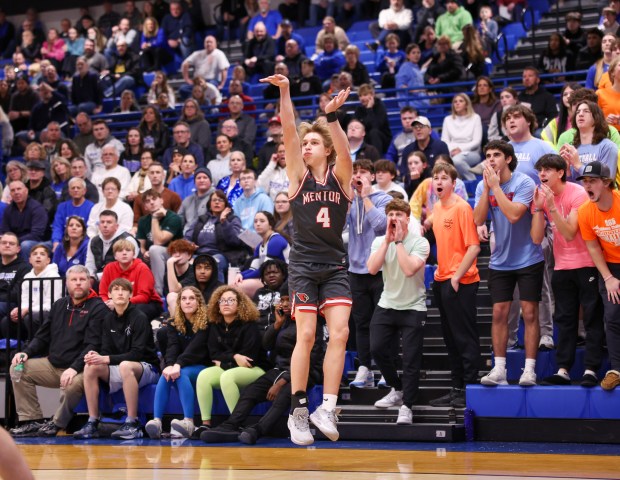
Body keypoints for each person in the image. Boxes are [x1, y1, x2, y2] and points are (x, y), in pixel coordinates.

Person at [259, 73, 353, 445]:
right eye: (306, 142)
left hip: (334, 266)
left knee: (341, 332)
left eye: (314, 142)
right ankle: (299, 411)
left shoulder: (341, 177)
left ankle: (327, 407)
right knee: (308, 334)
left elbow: (345, 151)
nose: (307, 146)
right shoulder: (297, 177)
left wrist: (331, 119)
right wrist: (284, 91)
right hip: (302, 266)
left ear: (326, 149)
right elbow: (287, 131)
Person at [201, 293, 325, 445]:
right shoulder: (283, 322)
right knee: (250, 392)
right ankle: (231, 426)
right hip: (279, 370)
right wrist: (276, 325)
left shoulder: (311, 323)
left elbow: (312, 360)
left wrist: (281, 383)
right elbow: (266, 345)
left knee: (283, 395)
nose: (285, 304)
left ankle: (258, 430)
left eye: (289, 300)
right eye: (283, 300)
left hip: (306, 373)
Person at [474, 141, 544, 387]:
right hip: (500, 260)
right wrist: (486, 190)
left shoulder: (524, 182)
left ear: (509, 160)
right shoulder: (485, 185)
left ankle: (530, 370)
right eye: (488, 155)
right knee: (499, 313)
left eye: (496, 155)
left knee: (530, 312)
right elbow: (478, 218)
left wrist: (496, 187)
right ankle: (499, 368)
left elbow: (514, 215)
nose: (491, 159)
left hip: (528, 257)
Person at [531, 154, 604, 387]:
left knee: (592, 318)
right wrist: (537, 210)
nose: (541, 174)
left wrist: (551, 208)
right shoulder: (540, 195)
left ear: (560, 172)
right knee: (564, 319)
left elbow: (570, 232)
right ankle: (563, 370)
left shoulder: (578, 193)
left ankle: (591, 370)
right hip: (561, 266)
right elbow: (536, 238)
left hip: (587, 264)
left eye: (547, 170)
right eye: (540, 170)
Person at [8, 265, 107, 438]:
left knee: (71, 386)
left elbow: (93, 345)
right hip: (54, 365)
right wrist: (26, 353)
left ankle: (56, 424)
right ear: (66, 283)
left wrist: (74, 368)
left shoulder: (98, 308)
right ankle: (31, 421)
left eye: (82, 280)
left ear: (89, 282)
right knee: (18, 368)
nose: (78, 283)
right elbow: (42, 336)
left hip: (83, 368)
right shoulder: (59, 304)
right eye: (73, 280)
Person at [73, 278, 160, 440]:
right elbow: (106, 350)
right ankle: (92, 421)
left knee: (126, 365)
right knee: (90, 366)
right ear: (109, 294)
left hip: (146, 368)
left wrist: (105, 358)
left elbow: (137, 354)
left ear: (130, 294)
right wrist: (95, 357)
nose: (120, 293)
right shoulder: (107, 319)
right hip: (121, 366)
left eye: (124, 290)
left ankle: (132, 422)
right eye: (116, 289)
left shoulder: (139, 317)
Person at [367, 198, 429, 424]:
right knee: (377, 349)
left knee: (411, 359)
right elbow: (372, 269)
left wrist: (399, 242)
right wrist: (387, 241)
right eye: (390, 215)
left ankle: (407, 406)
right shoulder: (378, 242)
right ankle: (397, 388)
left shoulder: (420, 243)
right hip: (387, 303)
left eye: (398, 215)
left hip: (414, 306)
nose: (394, 218)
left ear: (407, 218)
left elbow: (409, 269)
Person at [428, 163, 480, 407]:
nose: (439, 181)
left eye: (444, 178)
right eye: (435, 178)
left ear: (453, 183)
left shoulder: (462, 208)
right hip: (441, 279)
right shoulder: (437, 207)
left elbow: (474, 246)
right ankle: (456, 388)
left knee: (464, 337)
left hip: (462, 280)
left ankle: (470, 388)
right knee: (450, 338)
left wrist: (457, 277)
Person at [193, 286, 265, 437]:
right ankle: (205, 424)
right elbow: (214, 353)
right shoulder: (215, 326)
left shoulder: (249, 325)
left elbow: (248, 359)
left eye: (231, 300)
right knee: (203, 375)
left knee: (227, 376)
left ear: (239, 304)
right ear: (217, 306)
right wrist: (233, 358)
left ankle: (236, 423)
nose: (226, 303)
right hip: (231, 366)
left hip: (256, 369)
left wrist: (224, 362)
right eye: (222, 300)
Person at [346, 160, 391, 388]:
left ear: (372, 176)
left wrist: (364, 197)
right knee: (361, 323)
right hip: (355, 271)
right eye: (355, 172)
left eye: (363, 172)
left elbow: (382, 226)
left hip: (380, 269)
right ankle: (365, 368)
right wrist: (348, 197)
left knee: (382, 322)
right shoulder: (349, 200)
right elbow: (338, 228)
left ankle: (386, 367)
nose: (358, 176)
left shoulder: (384, 198)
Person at [145, 286, 210, 439]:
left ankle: (189, 422)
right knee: (166, 374)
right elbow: (172, 347)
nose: (187, 302)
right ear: (179, 303)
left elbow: (195, 350)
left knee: (181, 374)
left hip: (202, 364)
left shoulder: (206, 322)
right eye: (184, 299)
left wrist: (177, 365)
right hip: (182, 364)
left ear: (199, 302)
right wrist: (169, 365)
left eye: (192, 298)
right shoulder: (174, 323)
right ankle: (157, 421)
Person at [577, 161, 620, 390]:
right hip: (611, 267)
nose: (587, 185)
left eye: (592, 180)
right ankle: (616, 369)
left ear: (606, 182)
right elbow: (593, 247)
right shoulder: (585, 212)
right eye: (584, 181)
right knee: (612, 317)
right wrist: (609, 278)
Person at [98, 240, 164, 321]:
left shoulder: (142, 268)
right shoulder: (109, 268)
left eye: (128, 250)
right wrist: (108, 303)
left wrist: (120, 304)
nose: (124, 253)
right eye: (120, 250)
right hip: (116, 303)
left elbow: (144, 297)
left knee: (135, 312)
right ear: (115, 256)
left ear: (133, 254)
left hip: (148, 303)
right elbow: (103, 294)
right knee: (99, 311)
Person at [136, 188, 183, 296]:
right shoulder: (143, 221)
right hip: (154, 254)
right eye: (147, 201)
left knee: (154, 249)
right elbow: (141, 245)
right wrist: (144, 253)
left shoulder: (173, 218)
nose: (151, 202)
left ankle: (158, 293)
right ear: (145, 207)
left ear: (161, 200)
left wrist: (155, 218)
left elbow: (158, 241)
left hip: (175, 254)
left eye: (154, 199)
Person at [560, 100, 618, 182]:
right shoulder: (573, 149)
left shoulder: (607, 147)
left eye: (586, 111)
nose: (580, 114)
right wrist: (567, 171)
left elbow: (606, 181)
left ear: (596, 117)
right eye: (578, 112)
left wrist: (579, 166)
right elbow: (571, 185)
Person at [233, 211, 289, 297]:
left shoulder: (276, 240)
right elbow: (253, 268)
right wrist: (240, 274)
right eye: (255, 221)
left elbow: (264, 270)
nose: (258, 224)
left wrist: (243, 277)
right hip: (271, 277)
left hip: (286, 279)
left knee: (237, 287)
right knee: (234, 284)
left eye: (262, 221)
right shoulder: (260, 245)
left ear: (270, 225)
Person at [85, 210, 139, 284]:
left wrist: (99, 277)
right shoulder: (93, 241)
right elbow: (90, 264)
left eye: (109, 222)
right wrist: (90, 277)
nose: (105, 225)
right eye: (102, 222)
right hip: (100, 280)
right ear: (98, 225)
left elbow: (130, 267)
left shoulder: (128, 240)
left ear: (116, 226)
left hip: (125, 281)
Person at [0, 180, 48, 260]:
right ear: (10, 194)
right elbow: (5, 230)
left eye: (19, 189)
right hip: (15, 241)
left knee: (25, 245)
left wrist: (14, 242)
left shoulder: (37, 208)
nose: (16, 192)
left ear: (26, 191)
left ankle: (25, 271)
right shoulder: (8, 209)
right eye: (13, 190)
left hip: (39, 242)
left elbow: (37, 234)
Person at [441, 93, 483, 180]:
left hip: (472, 152)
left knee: (456, 160)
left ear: (467, 104)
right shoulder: (447, 119)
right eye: (455, 101)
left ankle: (473, 181)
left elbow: (477, 141)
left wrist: (461, 149)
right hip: (451, 152)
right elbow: (444, 140)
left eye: (460, 101)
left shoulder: (475, 118)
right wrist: (452, 150)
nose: (457, 103)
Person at [518, 67, 558, 133]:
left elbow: (553, 117)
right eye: (524, 76)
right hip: (523, 128)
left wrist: (540, 124)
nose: (527, 79)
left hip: (540, 128)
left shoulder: (547, 96)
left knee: (538, 134)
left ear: (538, 80)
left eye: (530, 76)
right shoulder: (519, 97)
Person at [541, 83, 581, 149]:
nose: (568, 96)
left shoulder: (585, 118)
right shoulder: (556, 122)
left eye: (572, 93)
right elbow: (544, 140)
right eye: (565, 94)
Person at [597, 56, 620, 131]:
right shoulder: (600, 94)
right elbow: (592, 119)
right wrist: (604, 122)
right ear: (612, 72)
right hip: (607, 135)